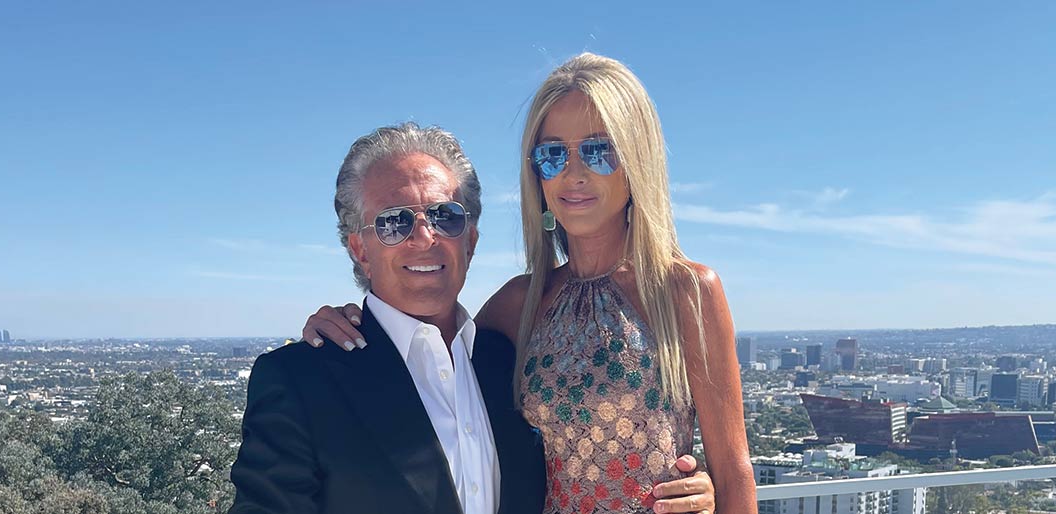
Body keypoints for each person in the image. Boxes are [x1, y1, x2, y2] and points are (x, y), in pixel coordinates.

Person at [303, 53, 752, 513]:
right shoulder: (521, 303)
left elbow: (734, 473)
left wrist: (709, 493)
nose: (574, 173)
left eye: (599, 151)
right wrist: (348, 322)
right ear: (535, 172)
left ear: (637, 162)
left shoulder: (685, 292)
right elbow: (428, 363)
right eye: (553, 154)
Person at [230, 122, 715, 514]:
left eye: (446, 217)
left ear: (472, 239)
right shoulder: (300, 381)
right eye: (395, 222)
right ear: (359, 247)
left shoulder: (505, 357)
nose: (424, 238)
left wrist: (694, 491)